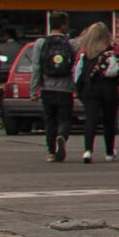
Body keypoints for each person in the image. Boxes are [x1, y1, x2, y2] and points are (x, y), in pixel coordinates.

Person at [72, 24, 119, 163]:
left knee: (91, 120)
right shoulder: (113, 49)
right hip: (110, 87)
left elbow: (77, 73)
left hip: (92, 88)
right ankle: (109, 152)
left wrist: (79, 90)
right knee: (109, 121)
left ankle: (88, 151)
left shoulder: (85, 52)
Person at [33, 15, 79, 163]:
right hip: (65, 89)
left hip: (47, 89)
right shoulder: (71, 44)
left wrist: (33, 89)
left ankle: (51, 152)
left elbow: (36, 67)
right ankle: (62, 136)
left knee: (50, 120)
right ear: (63, 25)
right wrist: (77, 88)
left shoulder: (40, 43)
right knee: (64, 119)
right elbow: (76, 67)